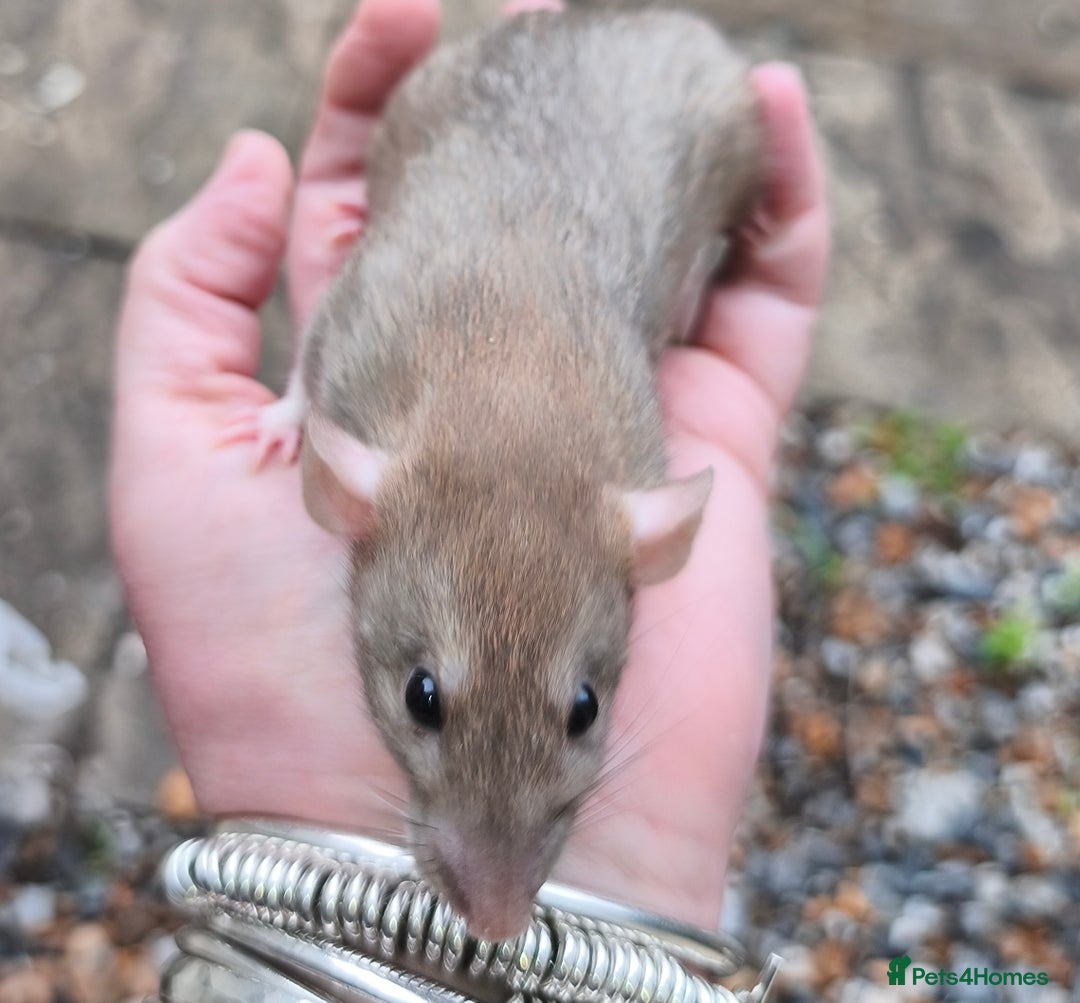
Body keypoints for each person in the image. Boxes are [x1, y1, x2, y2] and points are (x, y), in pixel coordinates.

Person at [109, 0, 828, 933]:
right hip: (506, 153)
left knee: (724, 108)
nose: (501, 906)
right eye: (425, 700)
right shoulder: (395, 355)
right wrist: (297, 398)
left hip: (648, 105)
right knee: (432, 101)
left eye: (581, 709)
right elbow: (344, 312)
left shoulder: (617, 435)